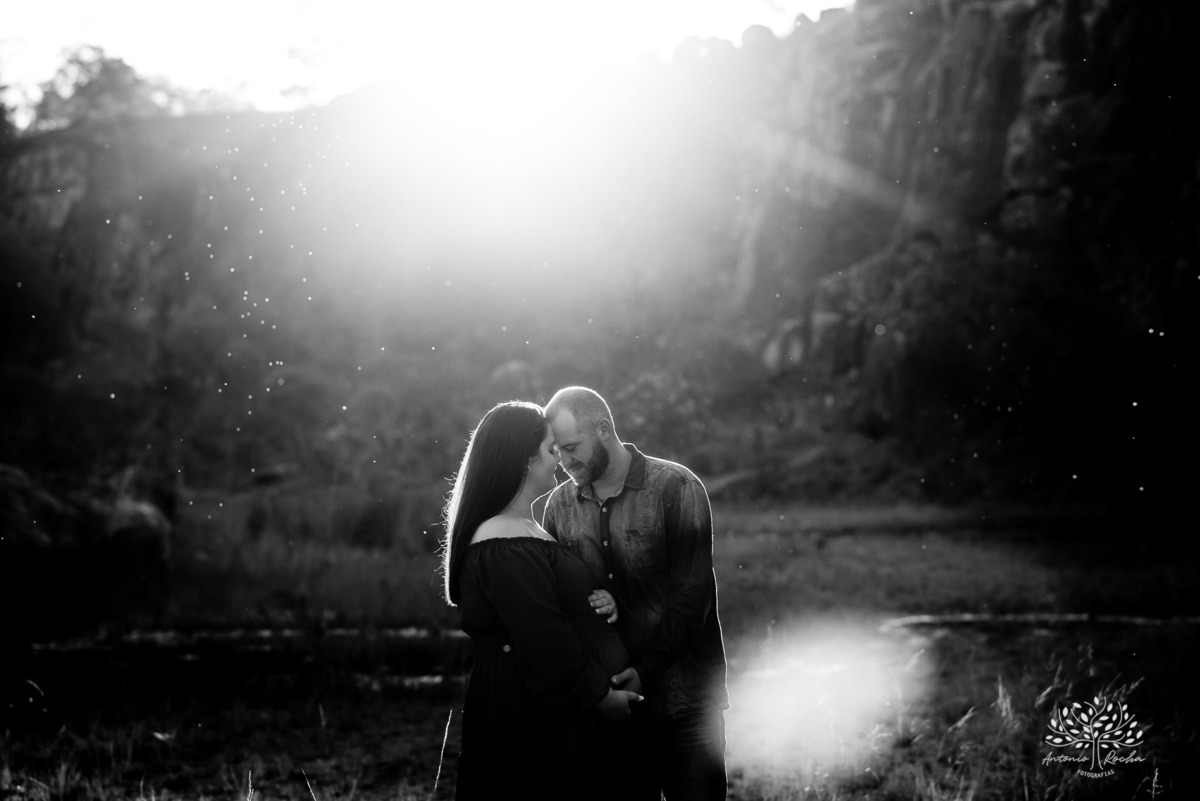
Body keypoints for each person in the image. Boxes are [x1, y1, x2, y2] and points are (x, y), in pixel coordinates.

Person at [441, 400, 642, 801]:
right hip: (529, 711)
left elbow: (557, 605)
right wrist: (599, 698)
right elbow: (542, 634)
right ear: (524, 460)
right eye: (552, 450)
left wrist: (600, 601)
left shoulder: (527, 528)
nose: (559, 461)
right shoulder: (500, 538)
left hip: (555, 706)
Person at [543, 386, 730, 801]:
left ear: (604, 430)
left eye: (572, 447)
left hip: (687, 705)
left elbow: (691, 600)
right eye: (556, 452)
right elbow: (565, 606)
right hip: (613, 711)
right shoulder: (558, 508)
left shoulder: (677, 488)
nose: (564, 462)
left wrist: (645, 669)